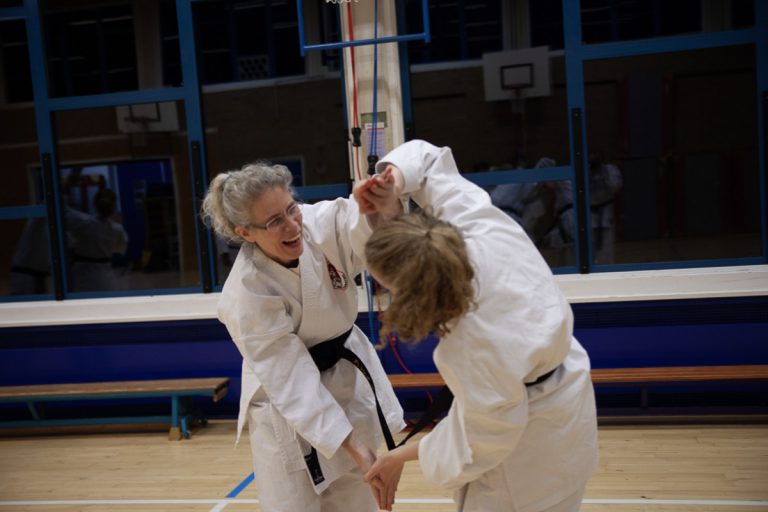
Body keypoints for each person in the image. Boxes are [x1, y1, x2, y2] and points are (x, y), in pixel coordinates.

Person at [359, 140, 599, 512]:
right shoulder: (476, 226)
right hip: (568, 397)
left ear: (413, 294)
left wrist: (404, 456)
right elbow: (429, 160)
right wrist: (393, 183)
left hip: (529, 462)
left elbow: (484, 439)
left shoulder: (471, 342)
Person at [201, 162, 405, 512]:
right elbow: (293, 381)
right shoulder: (247, 292)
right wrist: (356, 446)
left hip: (345, 381)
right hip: (285, 405)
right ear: (245, 233)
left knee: (357, 500)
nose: (293, 225)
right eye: (274, 221)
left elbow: (359, 224)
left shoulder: (316, 224)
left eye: (291, 209)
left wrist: (382, 203)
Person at [66, 188, 128, 292]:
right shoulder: (118, 229)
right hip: (106, 279)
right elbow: (119, 250)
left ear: (94, 204)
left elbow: (64, 212)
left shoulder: (82, 223)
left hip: (82, 276)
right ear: (113, 207)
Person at [588, 153, 623, 264]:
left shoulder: (610, 170)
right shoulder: (586, 171)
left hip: (605, 214)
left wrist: (603, 173)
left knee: (606, 252)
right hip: (589, 215)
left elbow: (615, 186)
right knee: (589, 254)